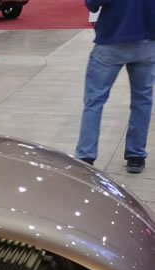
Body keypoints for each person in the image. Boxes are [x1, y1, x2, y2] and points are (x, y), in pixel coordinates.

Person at [75, 0, 154, 173]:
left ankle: (86, 156)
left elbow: (93, 3)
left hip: (112, 38)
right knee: (142, 100)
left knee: (94, 101)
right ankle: (136, 156)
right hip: (147, 40)